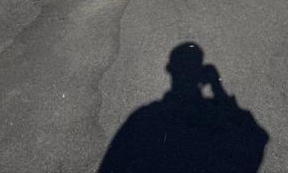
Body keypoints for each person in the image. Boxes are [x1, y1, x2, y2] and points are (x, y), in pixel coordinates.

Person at [99, 42, 269, 173]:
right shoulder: (215, 113)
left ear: (170, 70)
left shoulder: (145, 116)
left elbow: (111, 164)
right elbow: (255, 138)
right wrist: (218, 90)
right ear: (201, 73)